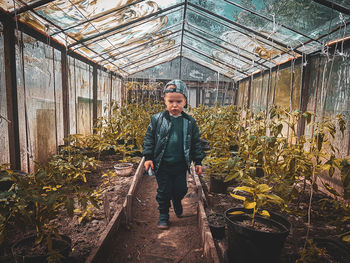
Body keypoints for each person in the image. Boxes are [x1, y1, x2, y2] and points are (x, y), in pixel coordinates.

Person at [142, 79, 204, 229]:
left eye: (178, 101)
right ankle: (163, 215)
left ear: (185, 102)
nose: (174, 105)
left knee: (181, 189)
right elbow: (149, 139)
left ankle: (177, 201)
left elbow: (196, 142)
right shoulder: (157, 119)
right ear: (165, 101)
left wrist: (198, 161)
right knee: (163, 190)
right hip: (162, 163)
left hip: (180, 164)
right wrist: (148, 158)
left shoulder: (189, 122)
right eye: (171, 101)